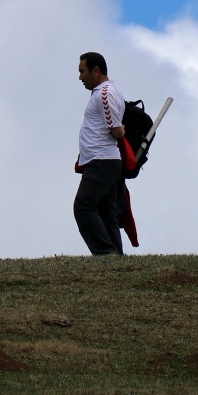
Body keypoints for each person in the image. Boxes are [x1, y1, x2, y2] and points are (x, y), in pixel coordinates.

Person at [74, 51, 125, 256]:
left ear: (96, 71)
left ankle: (105, 254)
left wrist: (123, 130)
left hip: (102, 160)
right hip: (103, 160)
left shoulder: (105, 93)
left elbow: (116, 130)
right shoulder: (104, 92)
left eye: (82, 71)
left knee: (83, 206)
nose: (80, 77)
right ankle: (116, 257)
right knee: (106, 212)